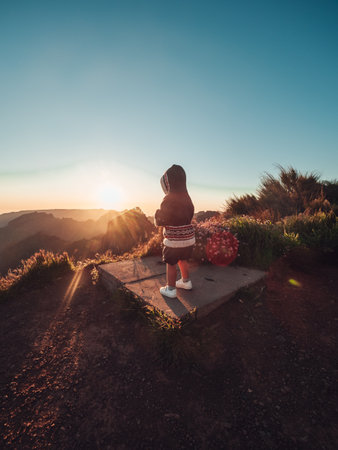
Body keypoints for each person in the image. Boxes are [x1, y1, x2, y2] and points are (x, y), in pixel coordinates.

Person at [155, 164, 195, 298]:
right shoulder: (188, 199)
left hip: (174, 240)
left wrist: (157, 215)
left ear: (168, 184)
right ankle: (186, 281)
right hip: (188, 238)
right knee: (183, 259)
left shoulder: (168, 200)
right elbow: (189, 216)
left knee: (171, 262)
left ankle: (170, 289)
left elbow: (162, 219)